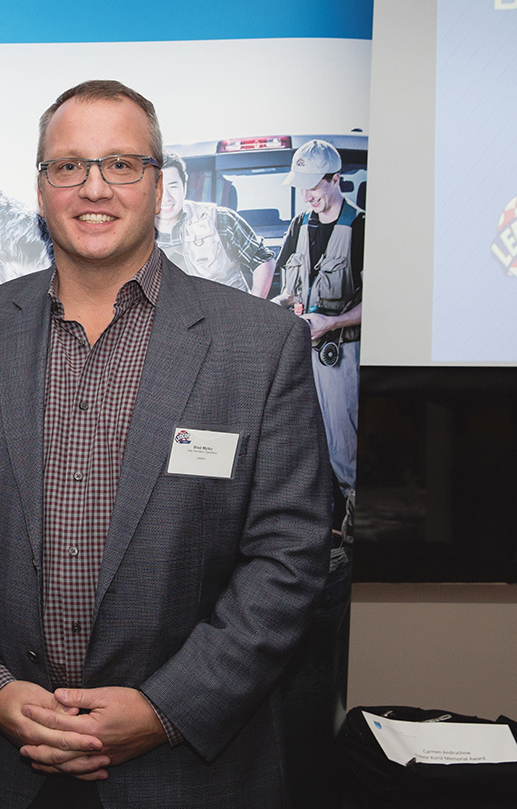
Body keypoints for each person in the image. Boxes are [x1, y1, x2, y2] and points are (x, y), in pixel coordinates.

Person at [0, 80, 331, 809]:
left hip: (187, 775)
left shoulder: (261, 344)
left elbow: (290, 556)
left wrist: (166, 708)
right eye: (68, 165)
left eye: (121, 164)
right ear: (41, 188)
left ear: (159, 185)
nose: (94, 187)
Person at [272, 138, 364, 808]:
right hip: (302, 352)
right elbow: (284, 283)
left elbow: (375, 301)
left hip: (341, 355)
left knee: (345, 453)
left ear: (335, 178)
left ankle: (352, 538)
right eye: (300, 184)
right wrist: (282, 308)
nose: (305, 193)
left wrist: (331, 320)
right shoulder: (300, 225)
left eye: (313, 183)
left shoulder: (360, 228)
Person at [153, 152, 274, 297]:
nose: (166, 197)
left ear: (184, 186)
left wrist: (255, 305)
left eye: (173, 187)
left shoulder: (219, 219)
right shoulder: (136, 234)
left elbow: (262, 259)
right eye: (157, 187)